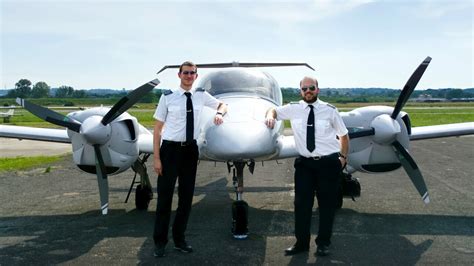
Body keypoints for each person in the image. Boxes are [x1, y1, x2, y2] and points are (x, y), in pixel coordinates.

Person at [265, 76, 349, 257]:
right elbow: (273, 110)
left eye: (311, 88)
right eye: (304, 89)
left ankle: (323, 244)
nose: (308, 91)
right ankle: (301, 243)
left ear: (317, 89)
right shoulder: (293, 108)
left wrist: (342, 157)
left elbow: (344, 136)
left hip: (328, 163)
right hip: (305, 165)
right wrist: (270, 117)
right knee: (301, 205)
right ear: (300, 91)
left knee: (327, 206)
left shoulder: (330, 111)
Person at [152, 61, 227, 257]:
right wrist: (157, 158)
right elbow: (157, 130)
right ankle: (160, 242)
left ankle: (180, 240)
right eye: (185, 73)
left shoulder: (201, 96)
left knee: (186, 199)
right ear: (179, 75)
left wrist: (219, 113)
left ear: (196, 76)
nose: (188, 76)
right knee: (165, 199)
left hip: (190, 151)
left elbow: (223, 105)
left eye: (192, 73)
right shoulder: (167, 98)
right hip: (169, 151)